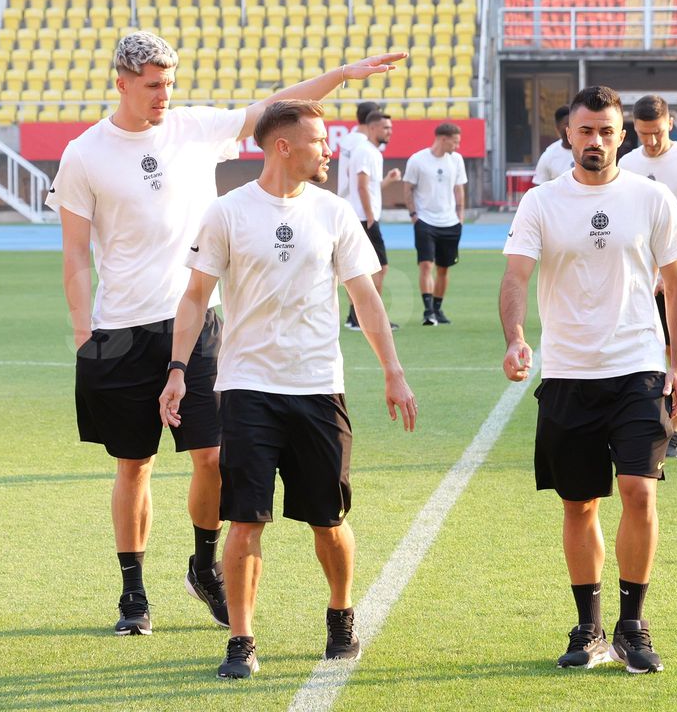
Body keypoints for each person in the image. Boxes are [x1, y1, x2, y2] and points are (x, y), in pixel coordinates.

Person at [46, 31, 406, 636]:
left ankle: (203, 564)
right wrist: (86, 334)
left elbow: (277, 108)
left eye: (170, 83)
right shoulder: (84, 154)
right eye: (153, 84)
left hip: (196, 320)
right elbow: (76, 253)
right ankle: (133, 592)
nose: (165, 95)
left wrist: (341, 74)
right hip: (121, 331)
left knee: (212, 458)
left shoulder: (193, 128)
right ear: (123, 84)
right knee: (134, 464)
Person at [157, 100, 417, 679]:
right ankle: (242, 640)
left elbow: (365, 297)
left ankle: (341, 614)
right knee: (246, 520)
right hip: (247, 389)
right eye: (320, 141)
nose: (328, 150)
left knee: (328, 519)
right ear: (281, 147)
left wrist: (392, 371)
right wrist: (177, 369)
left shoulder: (333, 212)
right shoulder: (226, 213)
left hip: (319, 388)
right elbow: (196, 297)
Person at [499, 85, 677, 675]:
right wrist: (514, 335)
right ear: (568, 134)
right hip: (567, 372)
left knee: (639, 490)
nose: (596, 141)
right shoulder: (540, 202)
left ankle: (633, 626)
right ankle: (588, 626)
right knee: (579, 503)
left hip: (637, 368)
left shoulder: (652, 197)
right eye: (586, 131)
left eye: (607, 131)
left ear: (622, 135)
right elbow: (515, 277)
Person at [619, 94, 677, 459]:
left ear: (670, 123)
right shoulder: (626, 163)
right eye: (643, 134)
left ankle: (672, 433)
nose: (651, 141)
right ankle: (633, 424)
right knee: (636, 350)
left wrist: (668, 270)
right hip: (636, 277)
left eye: (656, 132)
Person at [403, 122, 467, 325]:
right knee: (425, 265)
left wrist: (460, 217)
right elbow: (408, 188)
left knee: (443, 268)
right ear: (443, 139)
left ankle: (438, 309)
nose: (457, 146)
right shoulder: (418, 160)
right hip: (425, 221)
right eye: (455, 142)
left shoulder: (456, 160)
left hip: (450, 222)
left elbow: (459, 190)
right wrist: (414, 215)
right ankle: (428, 311)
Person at [344, 111, 402, 330]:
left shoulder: (370, 152)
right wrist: (370, 217)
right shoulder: (366, 152)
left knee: (361, 268)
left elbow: (370, 187)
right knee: (379, 268)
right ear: (372, 128)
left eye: (390, 128)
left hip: (364, 216)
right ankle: (370, 317)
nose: (389, 132)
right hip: (363, 218)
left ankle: (356, 317)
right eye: (385, 128)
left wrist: (389, 180)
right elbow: (361, 185)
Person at [335, 100, 383, 203]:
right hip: (358, 205)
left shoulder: (347, 138)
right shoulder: (364, 145)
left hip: (345, 199)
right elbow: (354, 175)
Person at [532, 105, 574, 185]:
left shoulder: (588, 150)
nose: (571, 128)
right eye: (567, 124)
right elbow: (539, 188)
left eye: (574, 123)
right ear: (557, 128)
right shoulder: (549, 155)